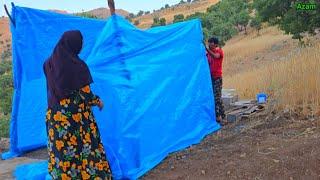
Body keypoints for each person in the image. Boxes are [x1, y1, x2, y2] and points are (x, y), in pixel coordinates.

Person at [43, 30, 112, 179]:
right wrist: (98, 101)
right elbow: (86, 94)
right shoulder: (77, 65)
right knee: (85, 150)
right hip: (76, 118)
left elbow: (54, 89)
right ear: (74, 45)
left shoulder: (48, 64)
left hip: (55, 116)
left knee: (63, 153)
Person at [205, 37, 226, 125]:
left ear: (215, 44)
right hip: (211, 78)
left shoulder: (219, 51)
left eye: (211, 43)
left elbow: (215, 56)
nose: (209, 44)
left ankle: (224, 117)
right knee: (214, 98)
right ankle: (217, 117)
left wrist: (206, 49)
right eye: (209, 43)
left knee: (217, 98)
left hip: (217, 78)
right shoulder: (208, 54)